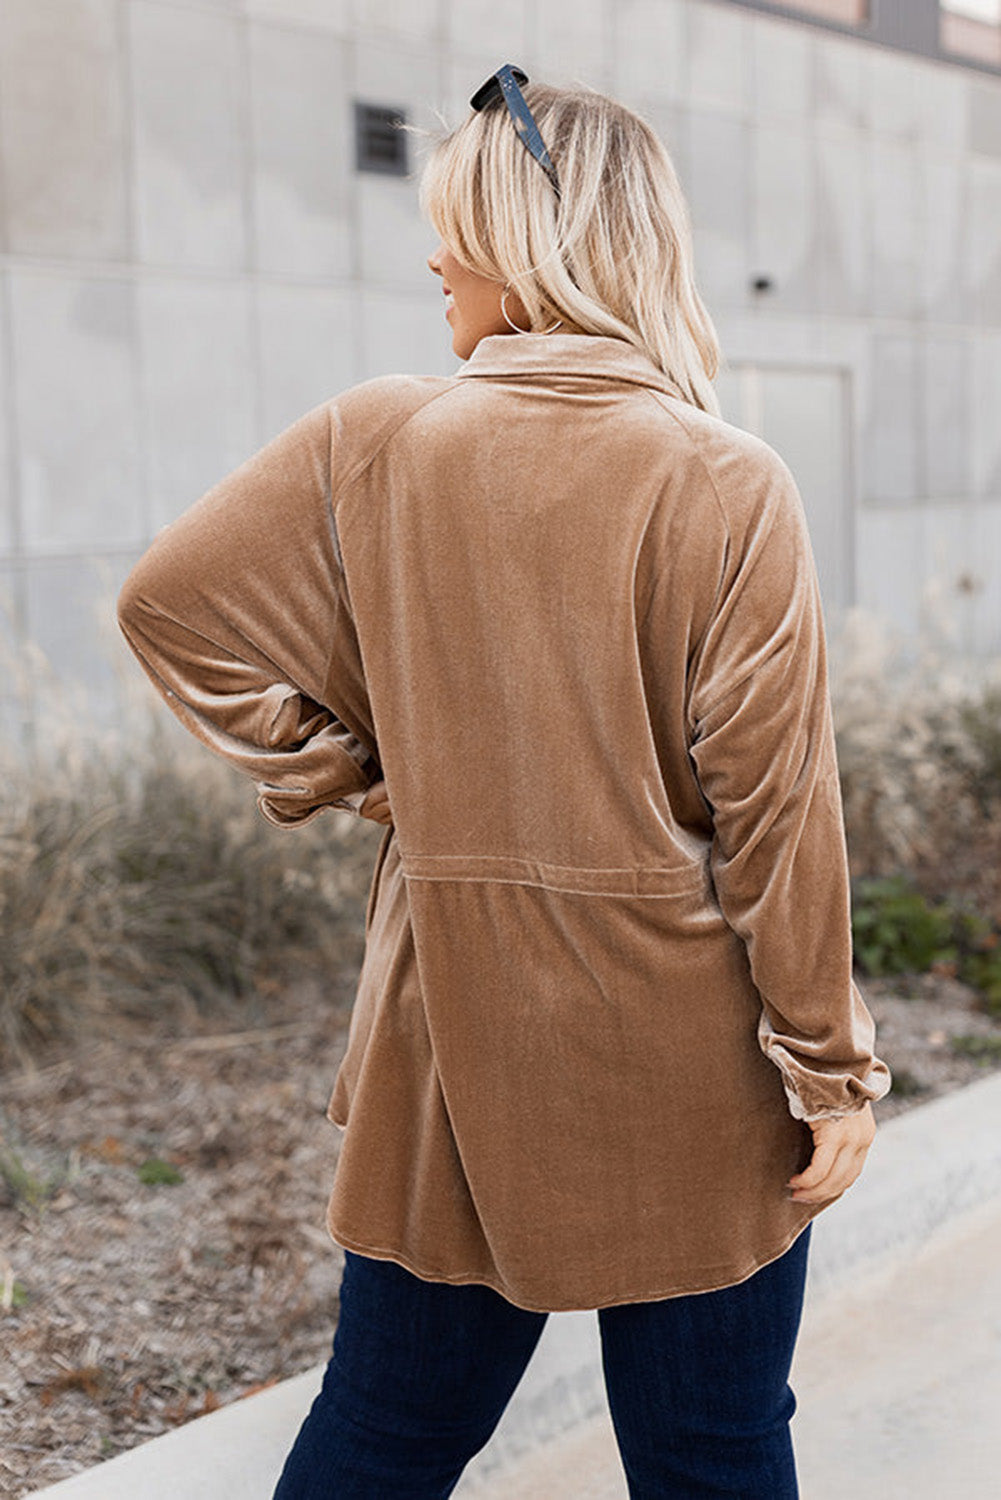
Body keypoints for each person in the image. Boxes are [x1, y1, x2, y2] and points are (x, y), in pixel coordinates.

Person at [117, 65, 892, 1500]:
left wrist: (371, 781)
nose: (432, 258)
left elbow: (171, 608)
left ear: (534, 248)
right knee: (712, 1454)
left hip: (447, 1039)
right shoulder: (723, 481)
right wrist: (828, 1069)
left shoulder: (376, 437)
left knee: (386, 1438)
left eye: (456, 227)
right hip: (684, 1062)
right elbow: (774, 818)